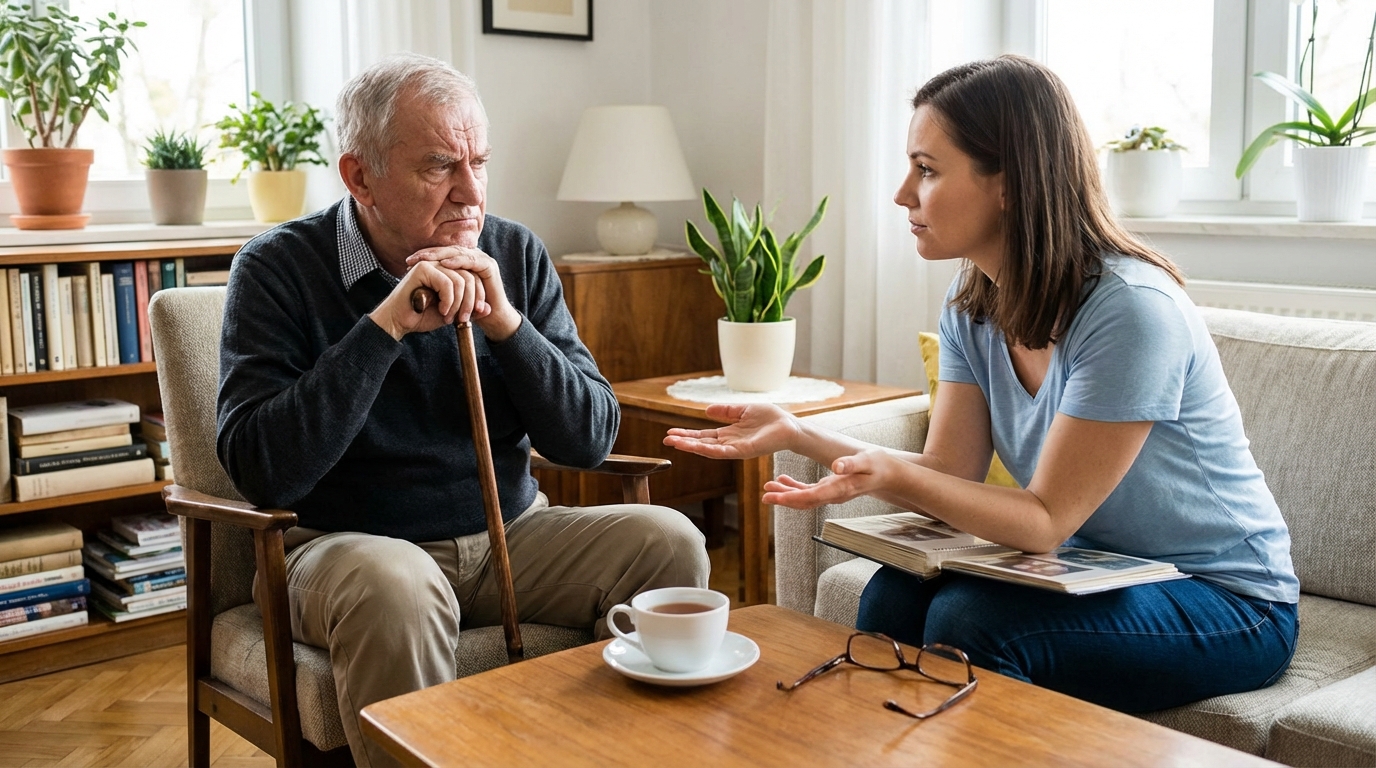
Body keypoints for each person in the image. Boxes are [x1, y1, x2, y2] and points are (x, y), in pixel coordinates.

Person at [665, 55, 1298, 713]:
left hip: (1230, 599)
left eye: (927, 169)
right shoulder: (973, 303)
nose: (902, 194)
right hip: (1095, 569)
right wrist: (799, 433)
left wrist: (889, 472)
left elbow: (1045, 522)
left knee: (971, 621)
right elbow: (949, 473)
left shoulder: (1131, 311)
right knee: (893, 592)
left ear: (1010, 184)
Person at [217, 53, 709, 766]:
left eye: (479, 162)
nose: (470, 192)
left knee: (670, 540)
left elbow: (589, 439)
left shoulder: (514, 252)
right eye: (439, 166)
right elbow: (262, 469)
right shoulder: (277, 268)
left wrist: (508, 325)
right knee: (397, 584)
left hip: (512, 535)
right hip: (346, 550)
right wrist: (383, 328)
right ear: (360, 177)